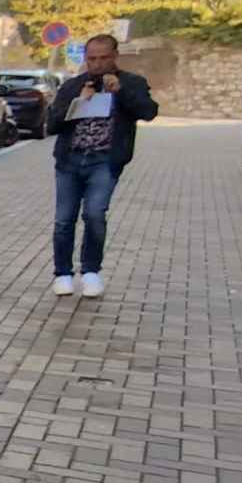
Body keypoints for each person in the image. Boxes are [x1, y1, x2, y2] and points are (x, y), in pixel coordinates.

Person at [46, 34, 157, 299]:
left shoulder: (132, 82)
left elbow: (149, 112)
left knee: (94, 214)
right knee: (64, 219)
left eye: (104, 58)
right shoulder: (73, 85)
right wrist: (77, 102)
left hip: (104, 161)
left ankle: (91, 272)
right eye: (92, 58)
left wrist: (121, 92)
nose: (97, 63)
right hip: (70, 160)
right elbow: (52, 124)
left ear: (115, 56)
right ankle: (62, 273)